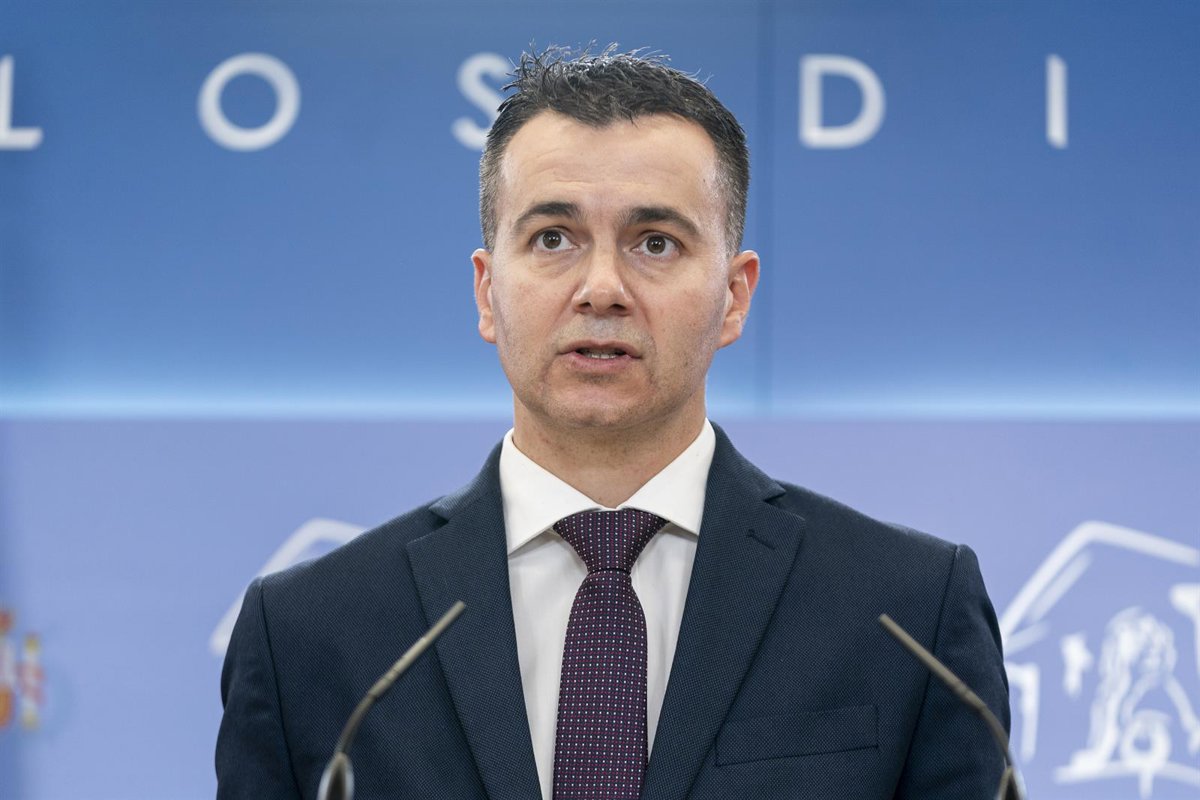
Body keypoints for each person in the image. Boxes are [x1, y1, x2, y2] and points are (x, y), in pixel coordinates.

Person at [216, 47, 1010, 800]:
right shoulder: (310, 632)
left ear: (734, 297)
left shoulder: (905, 610)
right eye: (552, 239)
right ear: (487, 292)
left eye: (655, 243)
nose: (602, 289)